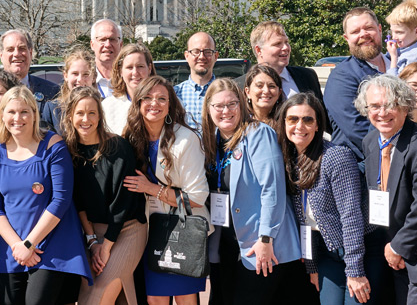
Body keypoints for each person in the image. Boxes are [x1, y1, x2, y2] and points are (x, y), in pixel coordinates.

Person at [0, 86, 92, 305]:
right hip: (10, 247)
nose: (18, 118)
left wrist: (30, 243)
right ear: (2, 115)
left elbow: (61, 200)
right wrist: (18, 246)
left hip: (51, 244)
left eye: (24, 111)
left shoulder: (53, 145)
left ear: (34, 113)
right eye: (11, 112)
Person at [358, 74, 417, 305]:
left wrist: (398, 247)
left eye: (390, 105)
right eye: (375, 106)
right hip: (391, 255)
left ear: (405, 105)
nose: (382, 113)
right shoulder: (371, 141)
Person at [279, 93, 380, 305]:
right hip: (327, 252)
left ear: (318, 126)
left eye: (308, 120)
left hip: (359, 251)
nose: (300, 126)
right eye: (293, 119)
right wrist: (312, 266)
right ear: (284, 123)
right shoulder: (290, 160)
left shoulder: (336, 157)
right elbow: (305, 222)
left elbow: (351, 217)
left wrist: (355, 271)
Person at [211, 78, 303, 303]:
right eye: (219, 106)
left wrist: (265, 238)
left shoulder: (258, 133)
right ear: (209, 109)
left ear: (242, 104)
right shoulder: (213, 139)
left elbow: (272, 189)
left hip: (260, 245)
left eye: (232, 104)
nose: (226, 111)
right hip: (228, 242)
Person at [120, 76, 208, 305]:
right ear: (138, 103)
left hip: (181, 230)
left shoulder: (186, 139)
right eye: (147, 98)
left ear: (170, 105)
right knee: (154, 298)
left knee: (184, 297)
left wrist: (152, 189)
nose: (154, 104)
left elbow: (196, 198)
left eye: (161, 98)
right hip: (147, 233)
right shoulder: (130, 137)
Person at [64, 86, 146, 305]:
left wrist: (106, 246)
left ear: (100, 116)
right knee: (87, 294)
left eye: (92, 113)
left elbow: (123, 202)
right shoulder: (69, 151)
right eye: (80, 113)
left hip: (127, 230)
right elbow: (77, 201)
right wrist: (92, 241)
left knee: (98, 297)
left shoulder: (118, 147)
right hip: (92, 232)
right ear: (70, 116)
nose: (86, 119)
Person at [326, 8, 387, 157]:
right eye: (355, 32)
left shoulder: (399, 66)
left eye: (369, 28)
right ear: (346, 38)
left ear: (379, 29)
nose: (363, 34)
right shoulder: (342, 77)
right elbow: (358, 130)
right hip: (362, 168)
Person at [248, 21, 326, 103]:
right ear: (259, 50)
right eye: (277, 44)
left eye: (286, 42)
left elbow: (320, 113)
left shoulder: (307, 76)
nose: (285, 48)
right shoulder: (242, 85)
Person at [41, 47, 98, 132]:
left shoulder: (102, 105)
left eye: (86, 74)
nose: (80, 79)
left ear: (93, 77)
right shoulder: (53, 109)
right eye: (75, 73)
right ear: (66, 76)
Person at [102, 43, 153, 135]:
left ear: (149, 69)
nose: (135, 73)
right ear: (120, 71)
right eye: (129, 67)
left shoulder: (165, 102)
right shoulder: (107, 107)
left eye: (140, 66)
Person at [0, 29, 62, 102]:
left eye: (22, 48)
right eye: (10, 49)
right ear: (1, 55)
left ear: (30, 53)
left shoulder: (53, 91)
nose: (16, 54)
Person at [174, 32, 219, 129]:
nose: (202, 57)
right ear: (186, 56)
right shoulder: (175, 94)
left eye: (207, 51)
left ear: (216, 56)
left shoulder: (227, 93)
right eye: (196, 51)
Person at [90, 19, 123, 98]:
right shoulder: (82, 79)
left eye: (112, 39)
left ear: (121, 45)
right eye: (102, 39)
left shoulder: (130, 79)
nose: (108, 45)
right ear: (92, 45)